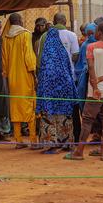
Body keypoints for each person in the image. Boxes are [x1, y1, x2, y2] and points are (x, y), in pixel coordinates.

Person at [65, 22, 103, 161]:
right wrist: (102, 79)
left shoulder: (91, 47)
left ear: (99, 32)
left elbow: (90, 66)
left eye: (95, 31)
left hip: (94, 92)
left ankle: (79, 152)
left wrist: (95, 85)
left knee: (87, 121)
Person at [35, 24, 78, 153]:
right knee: (64, 115)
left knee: (49, 115)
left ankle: (51, 144)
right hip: (64, 89)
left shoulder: (46, 57)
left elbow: (42, 74)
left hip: (49, 92)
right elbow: (69, 71)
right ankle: (66, 143)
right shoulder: (63, 53)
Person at [2, 13, 38, 149]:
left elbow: (4, 60)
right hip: (25, 76)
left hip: (12, 78)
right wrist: (34, 73)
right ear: (20, 21)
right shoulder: (25, 35)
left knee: (15, 107)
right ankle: (33, 140)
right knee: (29, 106)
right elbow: (29, 56)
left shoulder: (6, 37)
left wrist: (6, 73)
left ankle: (18, 140)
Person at [73, 23, 97, 142]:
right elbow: (80, 64)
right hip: (84, 79)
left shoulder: (100, 45)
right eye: (88, 34)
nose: (90, 36)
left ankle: (97, 133)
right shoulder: (84, 46)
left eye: (92, 33)